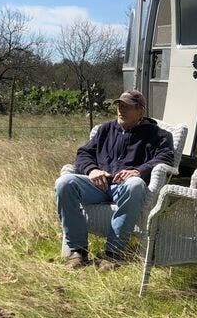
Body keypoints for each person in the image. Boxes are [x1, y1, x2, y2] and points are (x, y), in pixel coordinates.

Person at [55, 89, 175, 270]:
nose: (121, 110)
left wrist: (138, 171)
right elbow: (83, 154)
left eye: (127, 107)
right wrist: (92, 170)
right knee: (64, 183)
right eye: (119, 105)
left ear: (141, 111)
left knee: (135, 185)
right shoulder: (105, 130)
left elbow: (165, 158)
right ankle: (78, 251)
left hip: (125, 188)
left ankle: (113, 254)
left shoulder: (159, 135)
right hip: (98, 184)